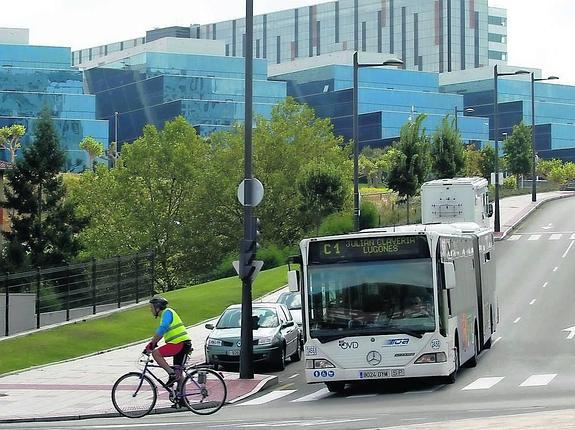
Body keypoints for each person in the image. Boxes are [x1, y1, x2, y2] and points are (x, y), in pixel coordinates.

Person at [145, 296, 192, 387]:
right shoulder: (165, 314)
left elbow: (163, 329)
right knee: (179, 374)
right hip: (181, 343)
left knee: (156, 354)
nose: (151, 310)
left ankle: (171, 374)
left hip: (178, 343)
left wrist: (152, 344)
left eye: (151, 308)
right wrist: (153, 343)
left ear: (157, 308)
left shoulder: (167, 312)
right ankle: (182, 399)